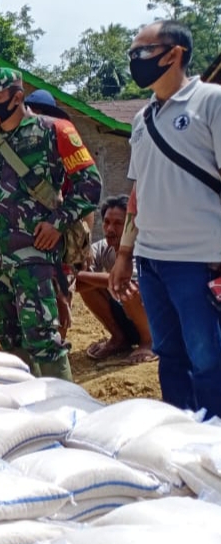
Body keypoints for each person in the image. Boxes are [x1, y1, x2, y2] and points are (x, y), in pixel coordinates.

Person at [0, 68, 101, 380]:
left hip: (36, 258)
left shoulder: (56, 132)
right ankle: (29, 406)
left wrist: (57, 224)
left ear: (17, 97)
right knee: (9, 342)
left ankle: (64, 407)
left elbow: (90, 185)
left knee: (44, 340)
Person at [110, 20, 221, 417]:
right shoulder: (142, 120)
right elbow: (138, 193)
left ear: (174, 54)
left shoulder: (211, 101)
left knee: (208, 358)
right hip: (152, 260)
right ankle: (181, 440)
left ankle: (214, 447)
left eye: (141, 52)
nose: (134, 61)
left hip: (200, 259)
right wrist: (125, 254)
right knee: (169, 355)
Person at [24, 88, 94, 343]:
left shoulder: (62, 148)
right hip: (28, 238)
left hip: (59, 236)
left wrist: (82, 249)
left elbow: (86, 199)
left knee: (60, 297)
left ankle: (58, 345)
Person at [78, 195, 154, 363]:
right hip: (126, 317)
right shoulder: (102, 247)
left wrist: (77, 275)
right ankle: (119, 339)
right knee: (88, 285)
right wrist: (79, 274)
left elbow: (126, 282)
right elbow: (76, 284)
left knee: (127, 289)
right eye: (106, 222)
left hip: (154, 321)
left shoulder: (143, 248)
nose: (110, 229)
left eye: (118, 223)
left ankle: (149, 342)